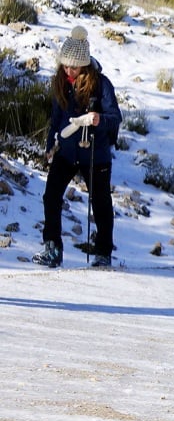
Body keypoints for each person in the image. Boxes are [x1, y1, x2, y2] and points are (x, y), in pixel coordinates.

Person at [34, 26, 122, 269]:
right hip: (67, 152)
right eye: (65, 65)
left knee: (101, 203)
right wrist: (50, 144)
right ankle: (52, 249)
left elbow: (115, 117)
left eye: (73, 67)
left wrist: (99, 120)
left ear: (84, 64)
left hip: (96, 153)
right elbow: (56, 119)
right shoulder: (61, 83)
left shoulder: (101, 84)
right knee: (51, 196)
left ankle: (103, 252)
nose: (68, 70)